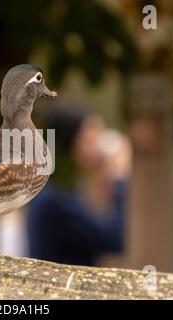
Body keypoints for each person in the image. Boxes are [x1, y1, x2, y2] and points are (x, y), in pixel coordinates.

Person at [26, 102, 131, 266]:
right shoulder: (55, 200)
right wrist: (119, 178)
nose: (100, 146)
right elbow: (116, 239)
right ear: (73, 143)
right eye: (92, 138)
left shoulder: (56, 191)